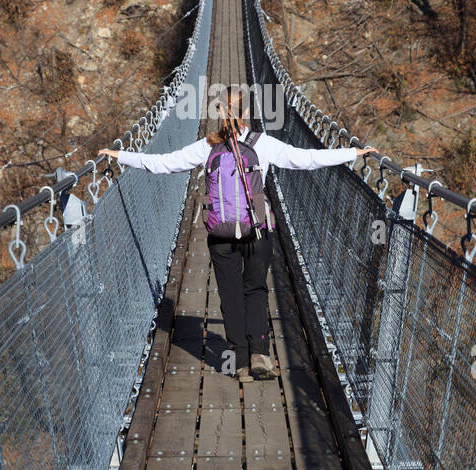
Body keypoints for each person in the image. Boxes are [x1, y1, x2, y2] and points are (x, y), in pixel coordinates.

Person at [99, 89, 376, 381]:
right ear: (246, 113)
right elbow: (305, 158)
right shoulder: (263, 144)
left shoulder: (208, 145)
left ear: (219, 114)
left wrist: (121, 156)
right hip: (256, 228)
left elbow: (165, 163)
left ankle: (240, 362)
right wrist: (353, 153)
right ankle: (261, 356)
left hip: (220, 232)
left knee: (230, 295)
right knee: (255, 289)